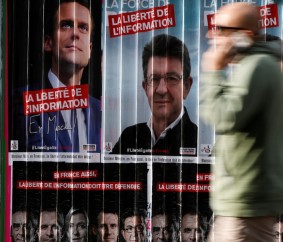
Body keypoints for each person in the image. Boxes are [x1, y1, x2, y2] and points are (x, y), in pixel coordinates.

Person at [200, 2, 283, 241]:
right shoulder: (256, 65)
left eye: (221, 29)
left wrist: (214, 70)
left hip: (245, 205)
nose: (211, 34)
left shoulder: (257, 66)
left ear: (244, 35)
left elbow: (223, 116)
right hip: (243, 203)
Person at [16, 0, 101, 153]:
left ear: (89, 49)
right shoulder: (21, 101)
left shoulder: (101, 111)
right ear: (48, 43)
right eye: (66, 25)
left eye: (83, 27)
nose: (75, 33)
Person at [111, 34, 197, 156]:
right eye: (154, 79)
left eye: (172, 78)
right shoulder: (128, 137)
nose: (161, 90)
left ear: (187, 86)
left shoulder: (199, 142)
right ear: (145, 87)